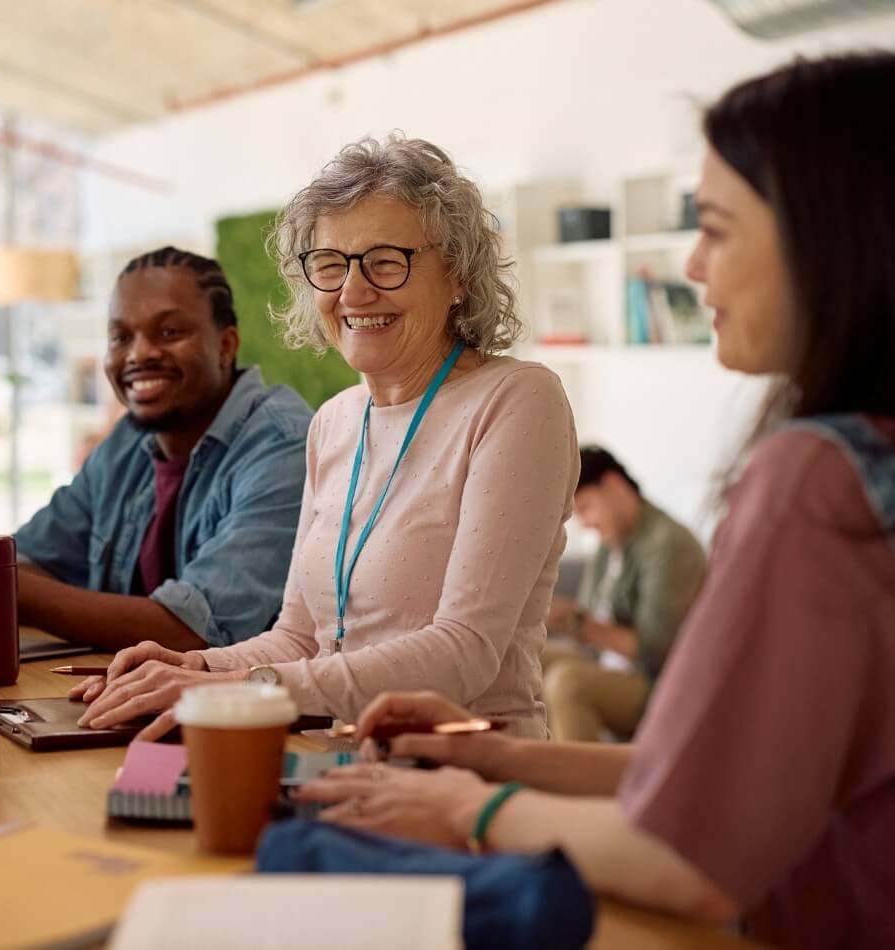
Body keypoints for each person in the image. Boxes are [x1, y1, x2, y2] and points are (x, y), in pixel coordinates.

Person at [295, 53, 895, 949]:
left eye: (718, 229)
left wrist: (478, 804)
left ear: (831, 237)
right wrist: (496, 757)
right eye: (330, 263)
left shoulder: (813, 478)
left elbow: (692, 855)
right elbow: (729, 780)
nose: (693, 265)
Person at [74, 136, 578, 740]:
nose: (354, 292)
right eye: (330, 264)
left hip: (463, 781)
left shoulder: (518, 400)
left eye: (386, 260)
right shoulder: (334, 421)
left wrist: (231, 687)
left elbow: (464, 651)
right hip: (332, 766)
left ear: (460, 275)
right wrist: (190, 666)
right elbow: (299, 638)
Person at [0, 247, 312, 651]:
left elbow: (194, 632)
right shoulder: (127, 441)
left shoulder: (284, 448)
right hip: (120, 694)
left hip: (243, 709)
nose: (139, 353)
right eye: (120, 337)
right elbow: (38, 561)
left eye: (169, 332)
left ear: (226, 345)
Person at [543, 446, 706, 741]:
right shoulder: (610, 543)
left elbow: (657, 650)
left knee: (567, 682)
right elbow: (588, 616)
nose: (585, 522)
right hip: (606, 663)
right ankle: (518, 768)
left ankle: (576, 784)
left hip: (657, 682)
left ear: (614, 484)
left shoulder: (668, 545)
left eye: (586, 508)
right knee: (529, 657)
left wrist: (581, 625)